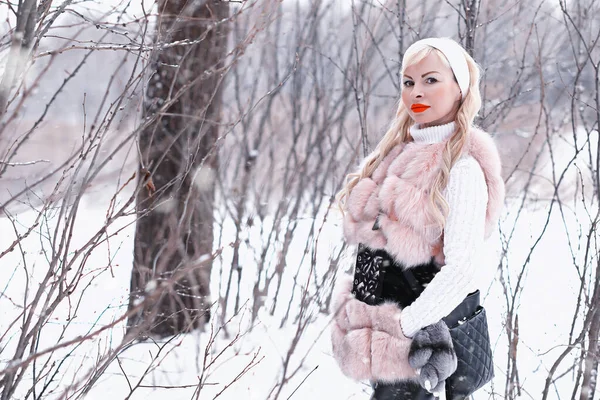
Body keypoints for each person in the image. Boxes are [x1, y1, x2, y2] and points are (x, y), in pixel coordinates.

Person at [330, 37, 505, 400]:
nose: (416, 91)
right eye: (408, 82)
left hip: (425, 348)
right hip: (387, 345)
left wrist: (404, 327)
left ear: (460, 88)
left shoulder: (462, 169)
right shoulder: (395, 156)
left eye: (431, 80)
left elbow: (462, 269)